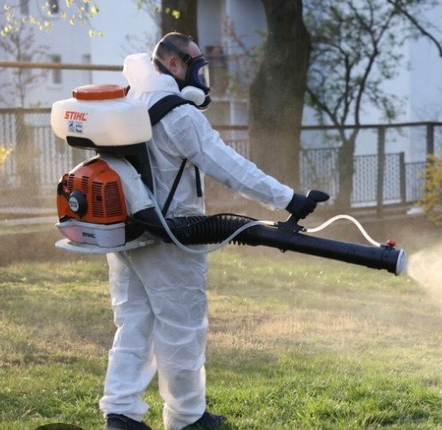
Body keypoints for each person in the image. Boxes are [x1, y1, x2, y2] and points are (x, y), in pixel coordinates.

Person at [100, 32, 317, 430]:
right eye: (198, 65)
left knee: (133, 324)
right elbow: (230, 167)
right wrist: (290, 199)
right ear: (175, 66)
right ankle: (186, 417)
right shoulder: (178, 115)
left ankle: (121, 413)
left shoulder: (131, 101)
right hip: (173, 236)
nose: (203, 75)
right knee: (182, 326)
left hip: (128, 235)